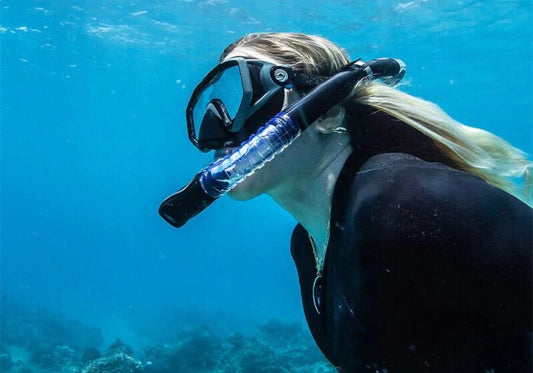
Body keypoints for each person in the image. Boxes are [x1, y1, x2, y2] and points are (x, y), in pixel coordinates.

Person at [161, 32, 533, 372]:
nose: (218, 124)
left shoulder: (403, 202)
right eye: (215, 103)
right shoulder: (307, 246)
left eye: (247, 89)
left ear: (327, 112)